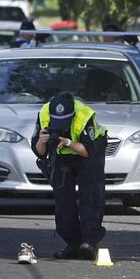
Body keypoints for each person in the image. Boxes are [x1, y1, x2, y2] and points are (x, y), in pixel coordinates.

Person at [31, 92, 108, 260]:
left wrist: (66, 142)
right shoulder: (43, 114)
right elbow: (39, 152)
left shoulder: (83, 116)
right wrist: (42, 141)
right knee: (63, 198)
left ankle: (89, 242)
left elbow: (87, 151)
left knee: (90, 195)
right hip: (63, 157)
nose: (61, 127)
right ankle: (72, 243)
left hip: (90, 152)